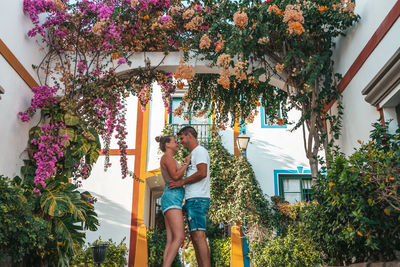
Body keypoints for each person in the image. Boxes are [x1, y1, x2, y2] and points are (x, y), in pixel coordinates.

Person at [169, 126, 211, 267]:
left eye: (181, 138)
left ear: (190, 136)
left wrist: (182, 182)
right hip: (193, 200)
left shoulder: (199, 151)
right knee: (195, 238)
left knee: (199, 237)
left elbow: (202, 172)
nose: (180, 142)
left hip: (198, 200)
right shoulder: (194, 153)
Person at [156, 135, 191, 267]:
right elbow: (176, 176)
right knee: (180, 237)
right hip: (172, 199)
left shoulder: (169, 158)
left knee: (171, 240)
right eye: (175, 142)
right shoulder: (167, 157)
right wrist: (187, 164)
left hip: (171, 199)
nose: (177, 144)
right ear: (167, 145)